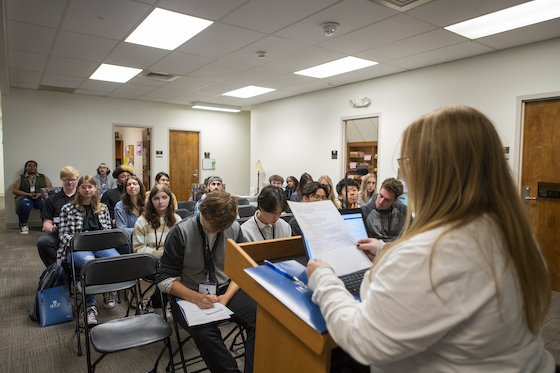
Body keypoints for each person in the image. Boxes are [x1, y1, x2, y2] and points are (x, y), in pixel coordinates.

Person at [305, 105, 555, 372]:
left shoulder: (432, 253)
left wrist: (323, 279)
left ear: (431, 172)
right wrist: (386, 251)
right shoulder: (511, 233)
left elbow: (363, 339)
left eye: (408, 164)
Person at [157, 191, 256, 373]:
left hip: (225, 289)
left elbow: (242, 269)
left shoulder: (233, 228)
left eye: (222, 227)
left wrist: (226, 296)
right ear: (202, 212)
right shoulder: (180, 232)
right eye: (214, 225)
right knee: (205, 333)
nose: (217, 230)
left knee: (261, 318)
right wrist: (196, 297)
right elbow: (164, 280)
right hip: (187, 294)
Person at [58, 175, 120, 325]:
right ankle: (89, 308)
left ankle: (107, 290)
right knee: (90, 265)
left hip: (101, 244)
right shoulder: (68, 208)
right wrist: (78, 242)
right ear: (78, 189)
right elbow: (63, 234)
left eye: (90, 187)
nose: (87, 190)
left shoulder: (102, 207)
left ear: (95, 188)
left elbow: (108, 230)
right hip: (78, 247)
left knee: (116, 261)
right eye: (83, 187)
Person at [133, 184, 181, 308]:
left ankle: (173, 305)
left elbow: (182, 245)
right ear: (150, 201)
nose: (160, 202)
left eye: (164, 197)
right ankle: (149, 303)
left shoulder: (177, 220)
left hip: (171, 263)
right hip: (149, 263)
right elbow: (137, 249)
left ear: (170, 199)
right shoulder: (142, 221)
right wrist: (158, 254)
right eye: (156, 198)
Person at [37, 166, 79, 267]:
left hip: (79, 233)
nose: (70, 182)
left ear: (77, 179)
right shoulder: (52, 199)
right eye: (66, 180)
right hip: (60, 233)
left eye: (73, 180)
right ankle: (56, 270)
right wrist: (52, 228)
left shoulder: (82, 197)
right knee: (43, 242)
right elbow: (47, 222)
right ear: (61, 179)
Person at [12, 160, 52, 234]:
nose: (32, 167)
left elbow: (49, 189)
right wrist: (27, 194)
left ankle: (45, 224)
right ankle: (23, 225)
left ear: (36, 167)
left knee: (45, 202)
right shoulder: (20, 178)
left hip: (39, 196)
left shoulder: (43, 177)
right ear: (26, 167)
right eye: (29, 165)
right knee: (24, 204)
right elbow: (14, 191)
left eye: (34, 165)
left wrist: (39, 194)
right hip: (25, 197)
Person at [361, 178, 406, 242]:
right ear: (379, 191)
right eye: (381, 196)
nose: (381, 201)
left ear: (395, 200)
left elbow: (413, 236)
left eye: (387, 200)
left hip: (397, 249)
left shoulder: (404, 211)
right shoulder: (364, 211)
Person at [114, 175, 145, 253]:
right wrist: (143, 230)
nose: (132, 186)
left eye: (135, 184)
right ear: (125, 189)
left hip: (147, 240)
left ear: (140, 187)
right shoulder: (119, 206)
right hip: (128, 243)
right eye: (129, 185)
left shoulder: (148, 203)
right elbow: (122, 230)